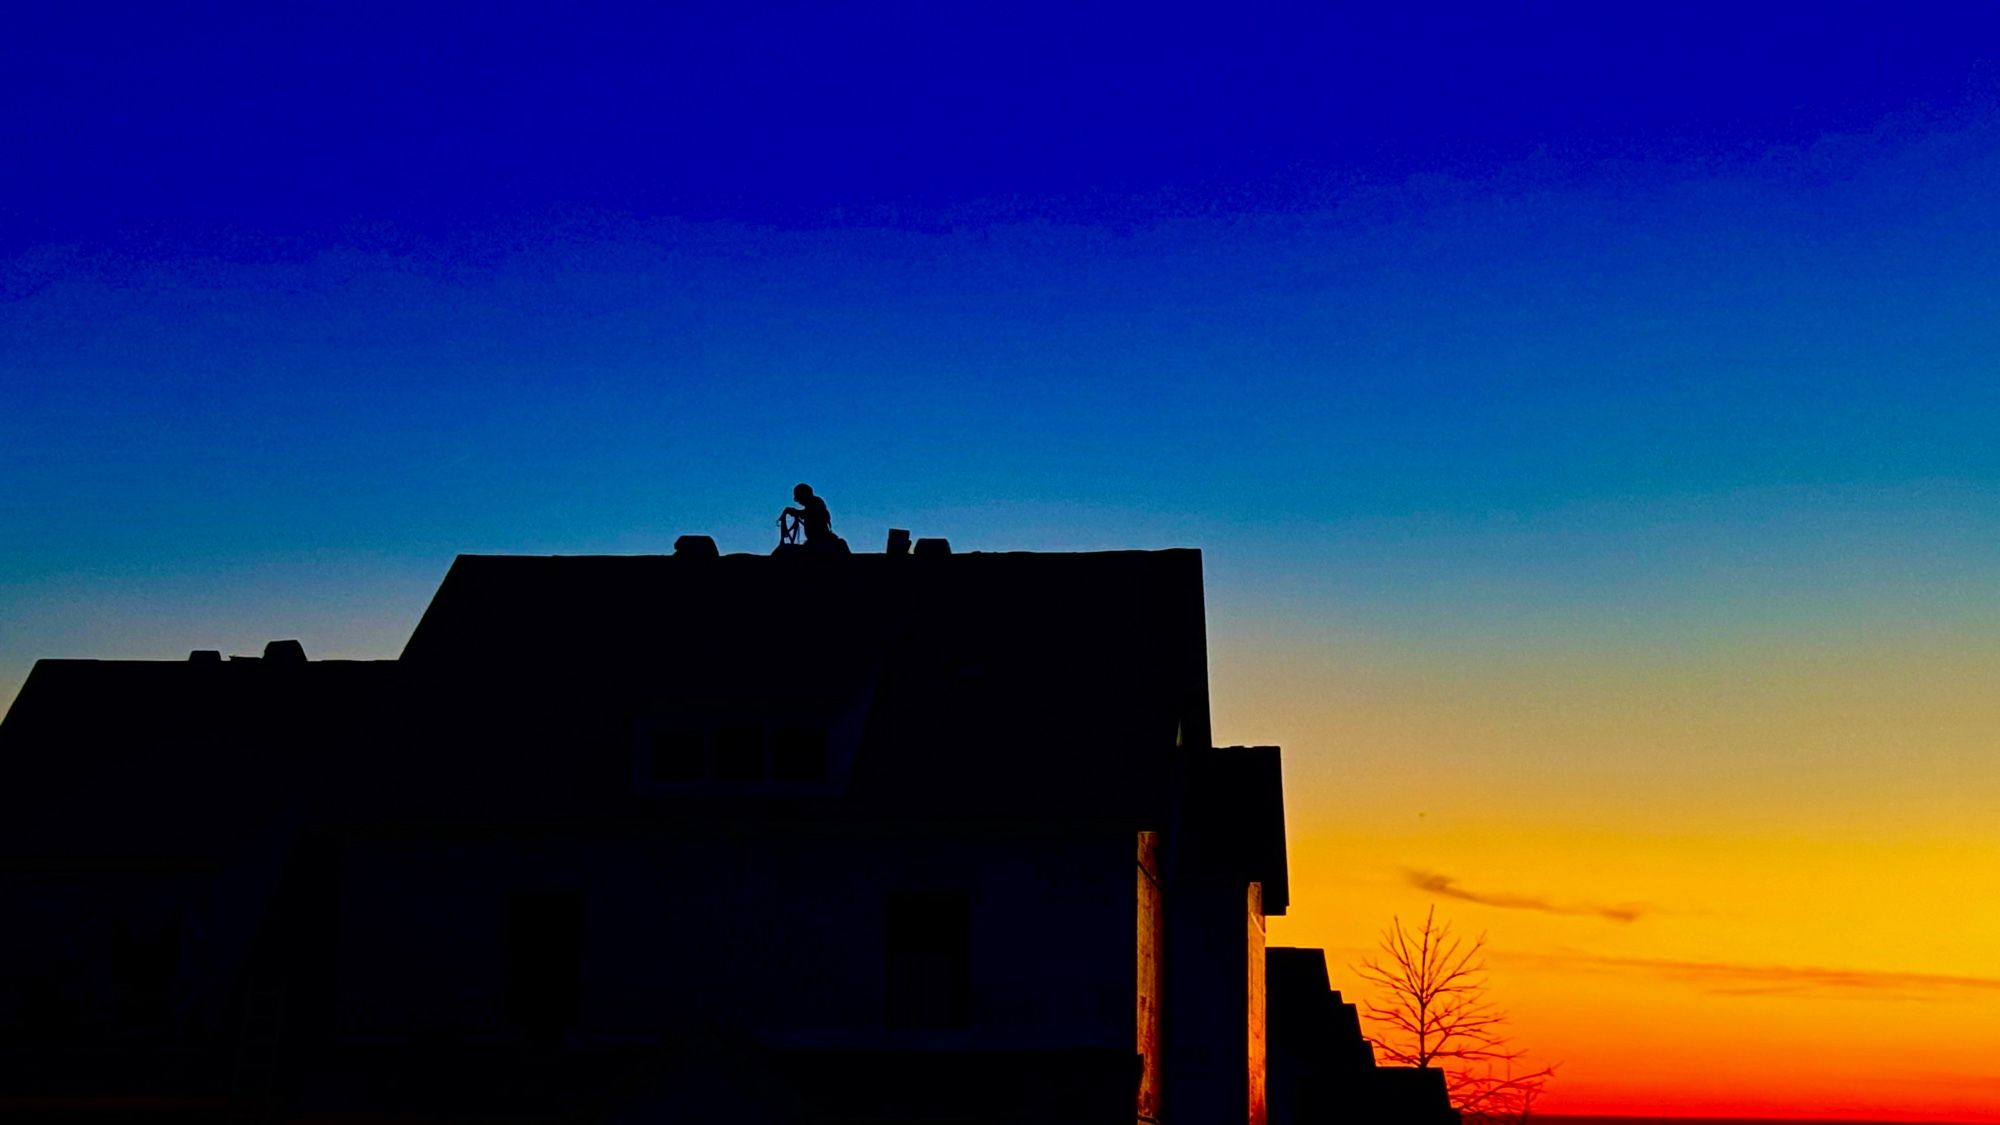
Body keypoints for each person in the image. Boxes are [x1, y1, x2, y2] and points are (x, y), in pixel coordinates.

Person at [779, 483, 847, 553]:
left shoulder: (816, 502)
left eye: (799, 497)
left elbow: (807, 513)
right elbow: (805, 513)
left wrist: (793, 511)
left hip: (820, 541)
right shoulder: (814, 503)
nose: (799, 501)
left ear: (804, 494)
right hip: (816, 540)